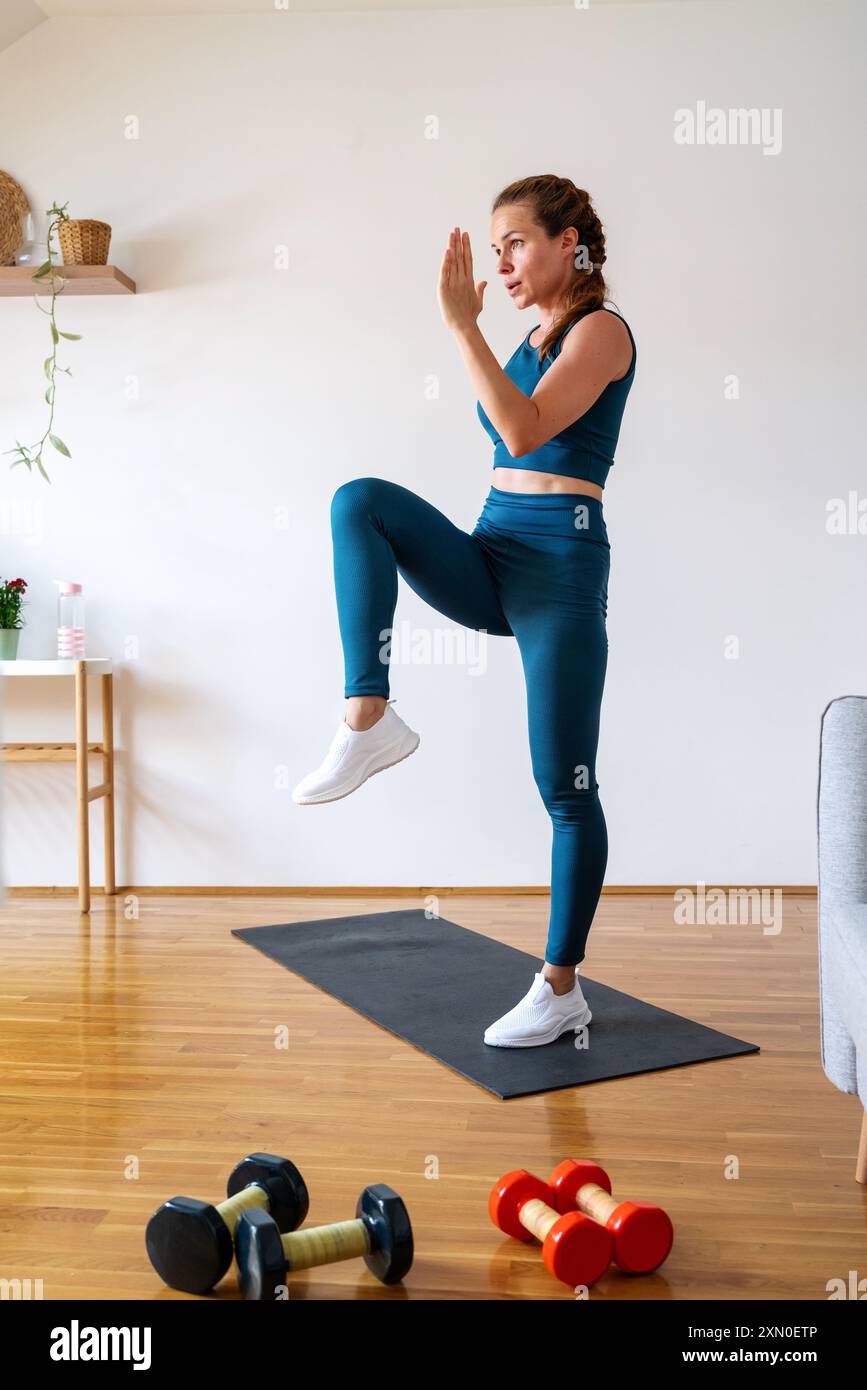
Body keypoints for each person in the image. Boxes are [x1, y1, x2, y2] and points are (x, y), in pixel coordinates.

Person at [292, 174, 637, 1049]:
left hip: (559, 569)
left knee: (565, 787)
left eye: (516, 243)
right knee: (358, 500)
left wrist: (458, 325)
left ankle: (560, 987)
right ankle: (367, 715)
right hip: (493, 551)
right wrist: (480, 332)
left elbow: (523, 432)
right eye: (495, 250)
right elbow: (506, 434)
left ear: (569, 244)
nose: (502, 264)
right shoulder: (527, 337)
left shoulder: (602, 332)